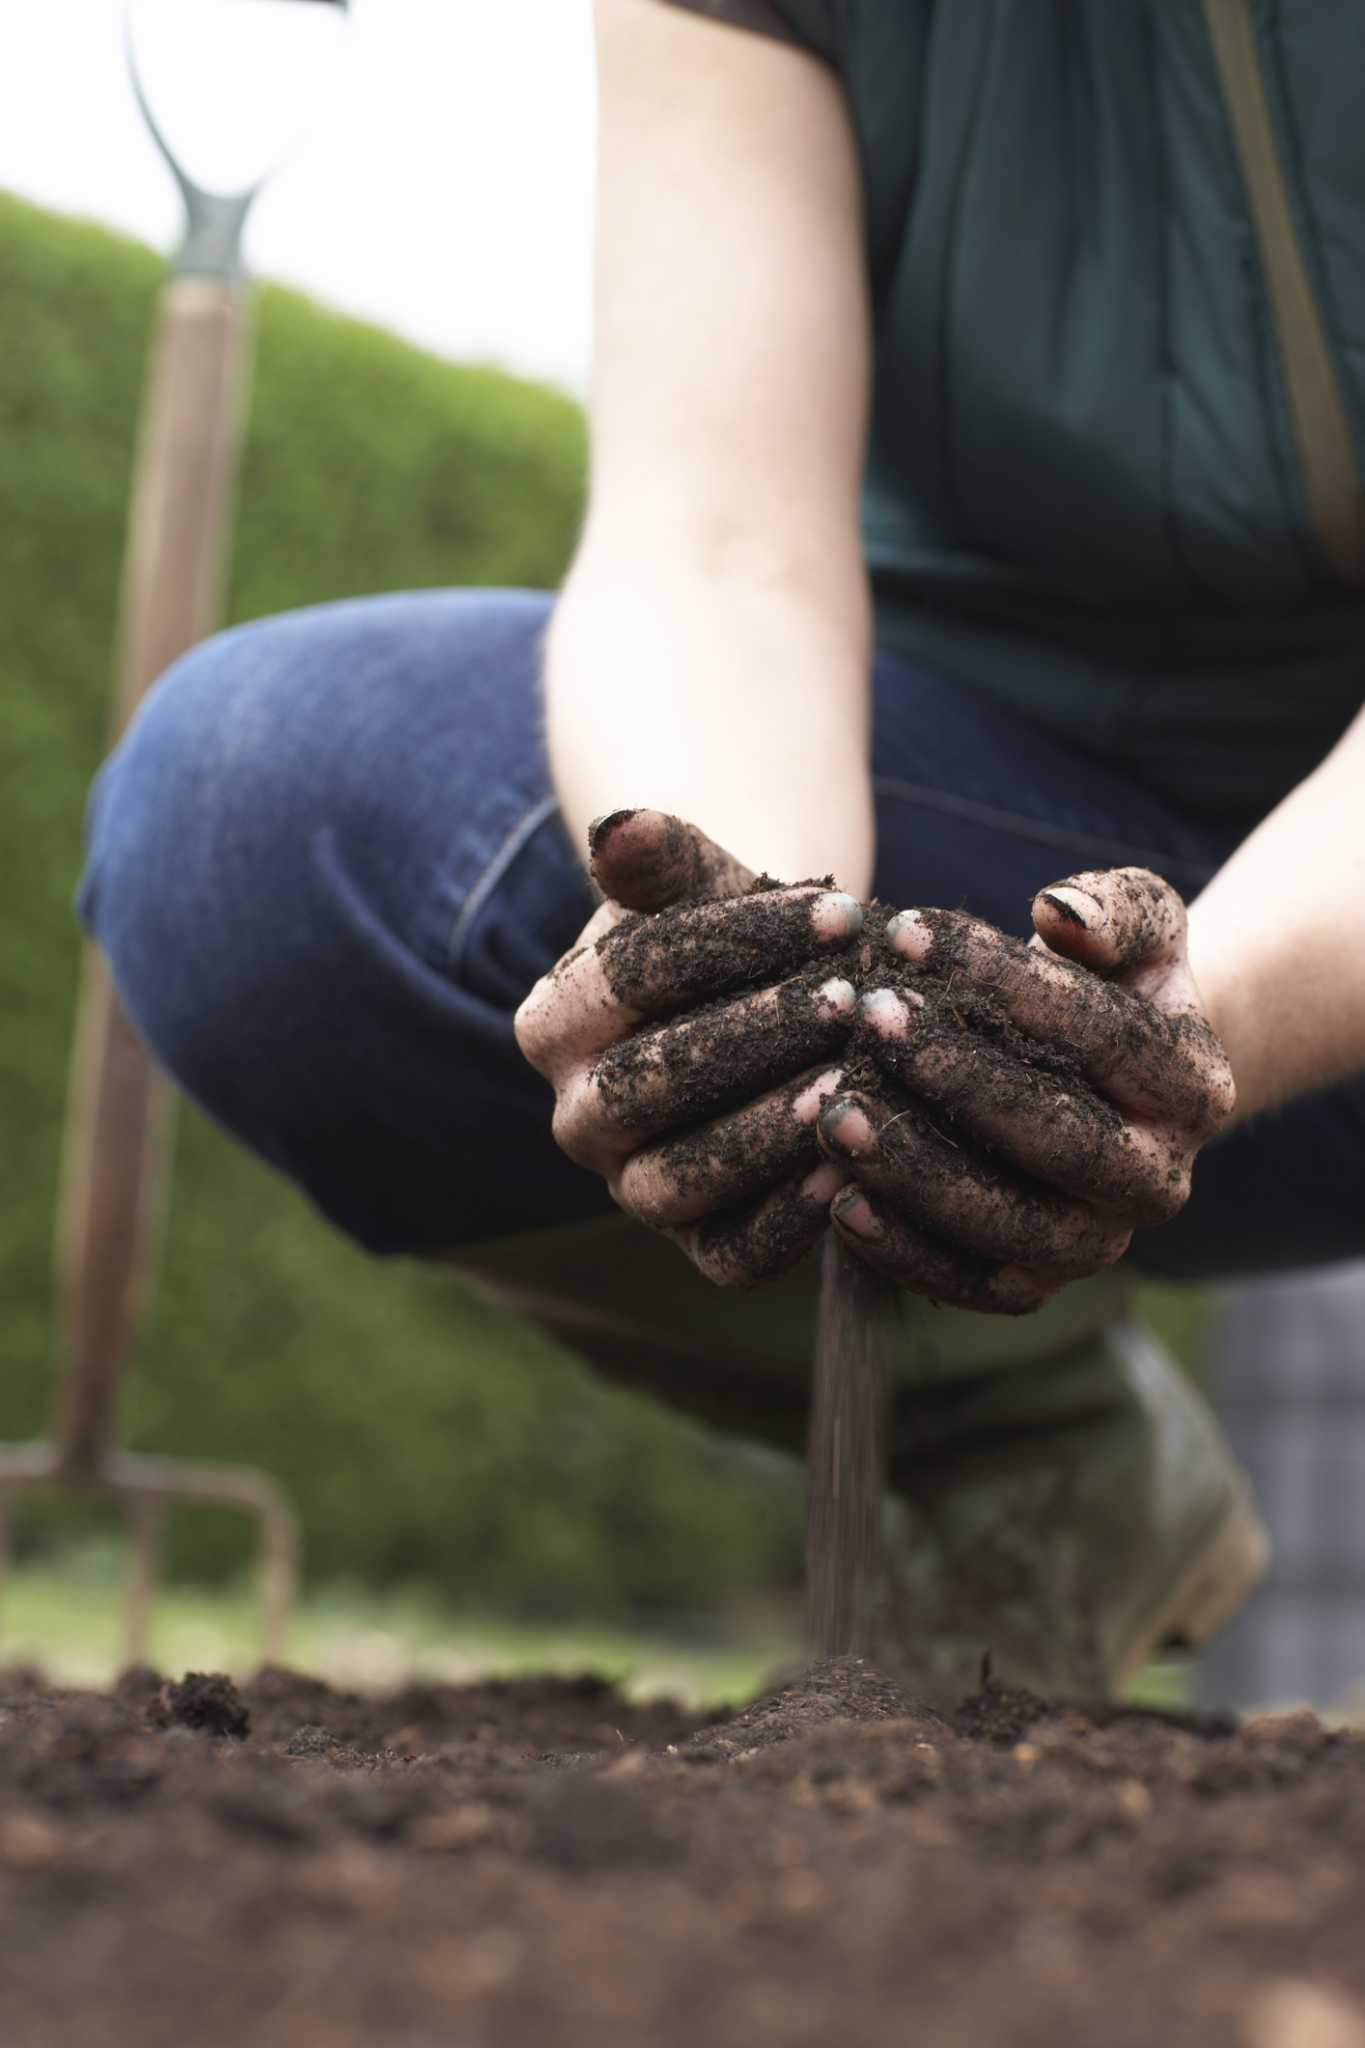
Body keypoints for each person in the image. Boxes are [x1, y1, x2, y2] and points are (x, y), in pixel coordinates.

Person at [79, 0, 1365, 1698]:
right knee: (259, 800)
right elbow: (717, 541)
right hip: (1008, 817)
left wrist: (1199, 1013)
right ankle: (1025, 1445)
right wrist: (765, 973)